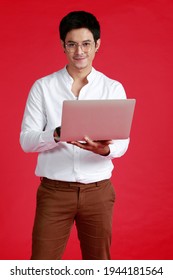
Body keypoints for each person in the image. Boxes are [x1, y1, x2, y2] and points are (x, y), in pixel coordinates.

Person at [20, 10, 130, 260]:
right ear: (63, 46)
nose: (79, 51)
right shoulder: (43, 87)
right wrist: (57, 134)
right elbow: (26, 140)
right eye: (72, 44)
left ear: (97, 45)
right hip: (54, 192)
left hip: (98, 192)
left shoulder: (112, 88)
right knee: (40, 268)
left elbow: (123, 141)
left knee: (99, 266)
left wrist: (105, 150)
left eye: (86, 44)